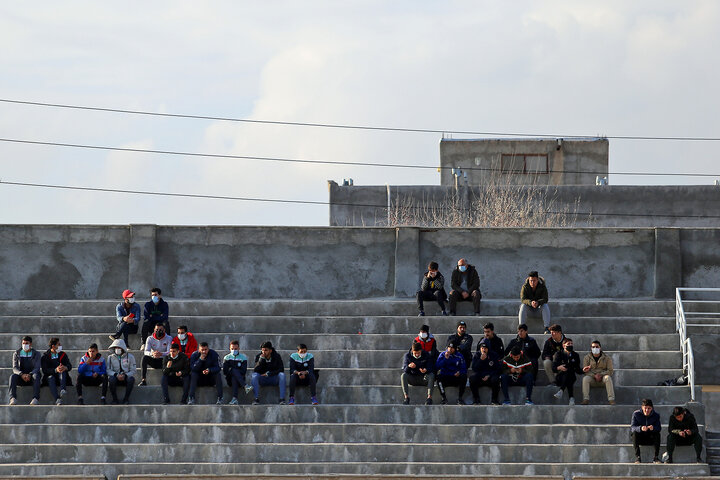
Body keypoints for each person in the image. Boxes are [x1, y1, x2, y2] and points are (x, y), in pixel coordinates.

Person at [8, 336, 42, 405]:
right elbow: (15, 368)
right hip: (21, 377)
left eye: (26, 343)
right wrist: (21, 374)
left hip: (32, 377)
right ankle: (12, 398)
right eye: (23, 343)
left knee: (36, 376)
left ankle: (35, 398)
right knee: (12, 377)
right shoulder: (16, 353)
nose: (24, 345)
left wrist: (30, 374)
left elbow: (37, 367)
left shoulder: (37, 354)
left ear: (31, 344)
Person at [581, 340, 615, 405]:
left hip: (603, 378)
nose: (595, 348)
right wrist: (594, 376)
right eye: (593, 347)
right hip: (592, 379)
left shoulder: (607, 358)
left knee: (608, 378)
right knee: (585, 379)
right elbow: (585, 371)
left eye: (597, 347)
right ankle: (586, 399)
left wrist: (601, 375)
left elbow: (610, 371)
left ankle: (611, 400)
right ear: (591, 348)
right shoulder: (587, 358)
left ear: (600, 348)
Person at [252, 341, 286, 405]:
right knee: (254, 375)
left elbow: (281, 369)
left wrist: (269, 374)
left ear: (270, 350)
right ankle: (255, 399)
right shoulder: (259, 356)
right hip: (263, 379)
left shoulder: (277, 356)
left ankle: (282, 399)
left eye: (266, 350)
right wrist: (261, 360)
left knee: (282, 375)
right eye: (262, 350)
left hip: (273, 378)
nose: (263, 352)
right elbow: (256, 370)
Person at [41, 337, 72, 405]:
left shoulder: (63, 354)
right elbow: (45, 370)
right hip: (50, 377)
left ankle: (63, 389)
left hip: (62, 377)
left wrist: (65, 367)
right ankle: (57, 398)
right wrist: (55, 370)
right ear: (53, 346)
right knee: (51, 378)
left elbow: (69, 365)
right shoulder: (45, 356)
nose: (60, 346)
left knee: (62, 370)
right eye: (59, 344)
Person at [551, 338, 583, 405]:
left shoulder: (575, 355)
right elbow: (553, 368)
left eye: (571, 344)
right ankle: (571, 398)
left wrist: (583, 370)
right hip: (560, 377)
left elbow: (577, 370)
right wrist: (559, 367)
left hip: (572, 376)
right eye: (568, 344)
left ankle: (561, 390)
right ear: (563, 345)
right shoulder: (558, 354)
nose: (570, 345)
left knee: (569, 371)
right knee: (567, 372)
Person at [469, 339, 501, 405]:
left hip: (490, 377)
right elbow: (474, 368)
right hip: (480, 377)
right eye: (482, 348)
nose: (484, 350)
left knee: (496, 379)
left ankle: (494, 400)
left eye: (485, 348)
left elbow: (498, 369)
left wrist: (489, 375)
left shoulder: (494, 355)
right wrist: (481, 360)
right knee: (472, 378)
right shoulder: (477, 355)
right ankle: (476, 400)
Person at [435, 341, 467, 405]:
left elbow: (464, 369)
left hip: (455, 377)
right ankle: (444, 398)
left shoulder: (459, 356)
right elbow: (437, 367)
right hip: (446, 376)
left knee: (464, 376)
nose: (450, 349)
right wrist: (445, 359)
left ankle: (460, 398)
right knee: (439, 378)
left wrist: (459, 372)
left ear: (455, 349)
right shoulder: (442, 355)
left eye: (452, 348)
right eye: (449, 347)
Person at [630, 398, 661, 464]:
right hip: (640, 437)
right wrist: (640, 428)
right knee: (634, 434)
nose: (647, 410)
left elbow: (659, 428)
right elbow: (633, 427)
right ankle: (638, 457)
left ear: (652, 408)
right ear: (642, 407)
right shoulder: (636, 414)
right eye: (645, 408)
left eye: (649, 408)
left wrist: (653, 428)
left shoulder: (656, 415)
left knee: (657, 434)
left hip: (650, 437)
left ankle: (656, 457)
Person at [106, 338, 136, 404]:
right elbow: (108, 370)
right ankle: (115, 399)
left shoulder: (130, 357)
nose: (117, 349)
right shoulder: (110, 357)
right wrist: (116, 375)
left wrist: (125, 375)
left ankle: (126, 399)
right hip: (115, 377)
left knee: (131, 379)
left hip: (126, 377)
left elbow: (133, 370)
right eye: (115, 347)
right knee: (111, 380)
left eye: (119, 347)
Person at [223, 340, 250, 405]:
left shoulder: (243, 357)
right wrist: (233, 370)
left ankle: (234, 399)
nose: (234, 350)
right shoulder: (227, 357)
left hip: (240, 378)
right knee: (233, 372)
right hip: (229, 380)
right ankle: (245, 386)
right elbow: (225, 371)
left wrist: (233, 370)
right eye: (232, 349)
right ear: (230, 348)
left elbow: (243, 371)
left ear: (239, 349)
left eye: (235, 349)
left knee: (234, 376)